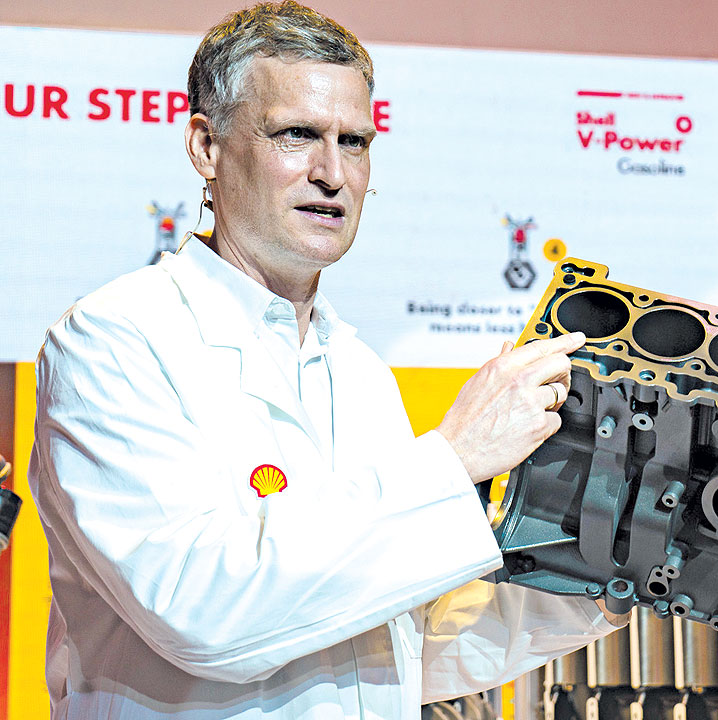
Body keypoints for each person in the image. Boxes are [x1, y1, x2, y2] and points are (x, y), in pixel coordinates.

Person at [29, 3, 623, 718]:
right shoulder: (113, 340)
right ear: (206, 147)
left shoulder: (358, 369)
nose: (333, 173)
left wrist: (611, 570)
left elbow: (399, 642)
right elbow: (202, 613)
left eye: (355, 142)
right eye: (297, 135)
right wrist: (453, 458)